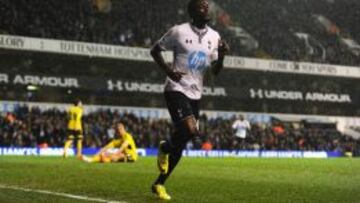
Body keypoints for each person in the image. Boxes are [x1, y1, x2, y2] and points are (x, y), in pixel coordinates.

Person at [150, 0, 229, 200]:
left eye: (206, 6)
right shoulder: (178, 31)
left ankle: (160, 181)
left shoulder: (214, 36)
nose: (206, 8)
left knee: (182, 142)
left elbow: (215, 72)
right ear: (193, 11)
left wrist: (222, 57)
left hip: (196, 94)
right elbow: (155, 50)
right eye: (202, 6)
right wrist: (169, 70)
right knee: (191, 131)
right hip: (176, 88)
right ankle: (166, 147)